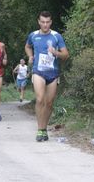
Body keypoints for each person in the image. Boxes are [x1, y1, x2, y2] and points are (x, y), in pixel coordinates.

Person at [25, 11, 69, 142]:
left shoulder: (56, 36)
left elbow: (66, 55)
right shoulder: (33, 35)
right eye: (43, 22)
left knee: (49, 103)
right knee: (40, 99)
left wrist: (55, 52)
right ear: (39, 22)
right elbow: (27, 46)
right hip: (38, 71)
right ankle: (40, 129)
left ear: (51, 22)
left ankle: (44, 129)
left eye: (48, 22)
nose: (45, 25)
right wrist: (30, 56)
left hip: (53, 73)